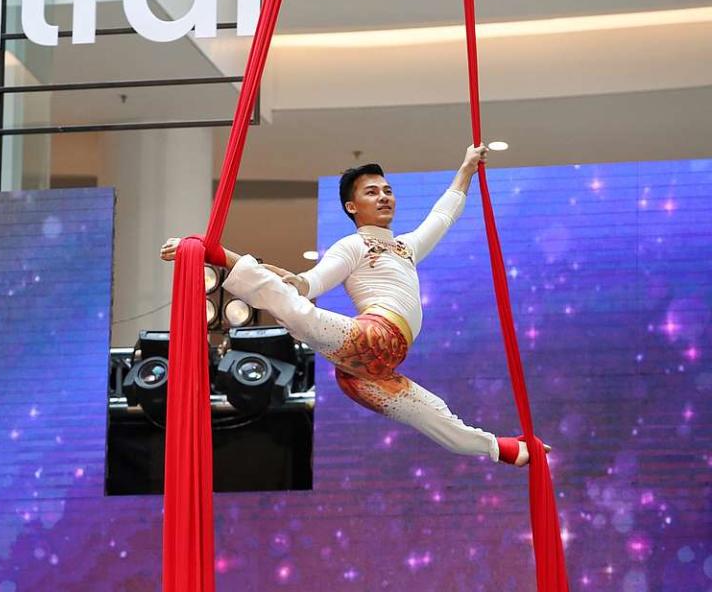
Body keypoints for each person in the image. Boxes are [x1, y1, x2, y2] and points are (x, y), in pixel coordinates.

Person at [160, 145, 547, 466]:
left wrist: (465, 169)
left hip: (373, 370)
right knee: (299, 312)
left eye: (387, 190)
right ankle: (221, 255)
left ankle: (504, 449)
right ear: (351, 206)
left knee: (437, 416)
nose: (383, 197)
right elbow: (307, 284)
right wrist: (283, 278)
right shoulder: (352, 246)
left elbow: (443, 217)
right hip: (370, 340)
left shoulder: (407, 248)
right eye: (371, 192)